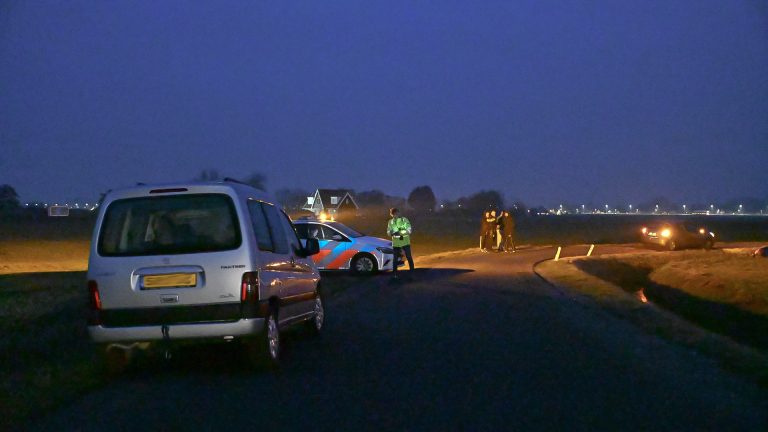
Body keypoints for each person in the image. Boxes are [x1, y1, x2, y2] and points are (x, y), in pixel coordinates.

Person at [387, 207, 414, 278]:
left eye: (395, 214)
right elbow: (388, 232)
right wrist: (391, 233)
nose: (394, 216)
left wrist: (400, 233)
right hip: (396, 243)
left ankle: (412, 271)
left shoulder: (404, 220)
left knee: (409, 257)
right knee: (395, 259)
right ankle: (394, 272)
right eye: (392, 215)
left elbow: (409, 231)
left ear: (398, 213)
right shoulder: (390, 222)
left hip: (405, 242)